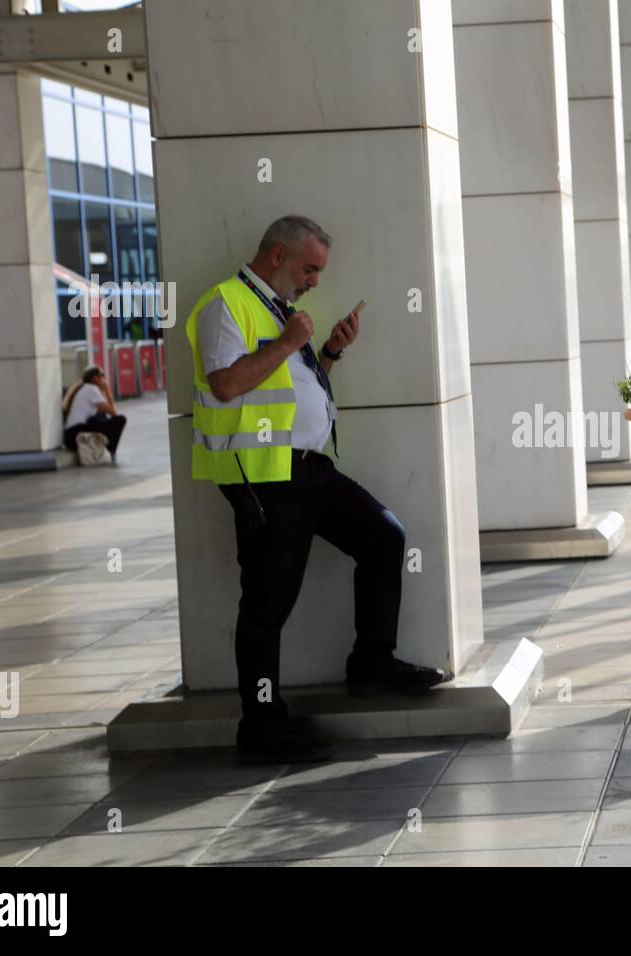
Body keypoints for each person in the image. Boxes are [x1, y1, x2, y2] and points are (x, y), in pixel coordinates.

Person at [185, 214, 446, 764]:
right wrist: (288, 342)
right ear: (277, 255)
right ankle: (261, 727)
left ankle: (371, 663)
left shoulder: (279, 310)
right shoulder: (224, 305)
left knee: (384, 536)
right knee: (266, 606)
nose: (315, 281)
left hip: (308, 470)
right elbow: (227, 384)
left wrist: (327, 352)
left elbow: (295, 389)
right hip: (264, 477)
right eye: (310, 268)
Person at [61, 366, 127, 462]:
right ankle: (112, 451)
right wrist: (107, 389)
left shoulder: (85, 388)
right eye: (102, 377)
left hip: (70, 435)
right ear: (95, 379)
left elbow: (104, 411)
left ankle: (108, 447)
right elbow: (113, 413)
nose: (105, 380)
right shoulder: (91, 389)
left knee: (101, 416)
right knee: (121, 420)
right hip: (75, 433)